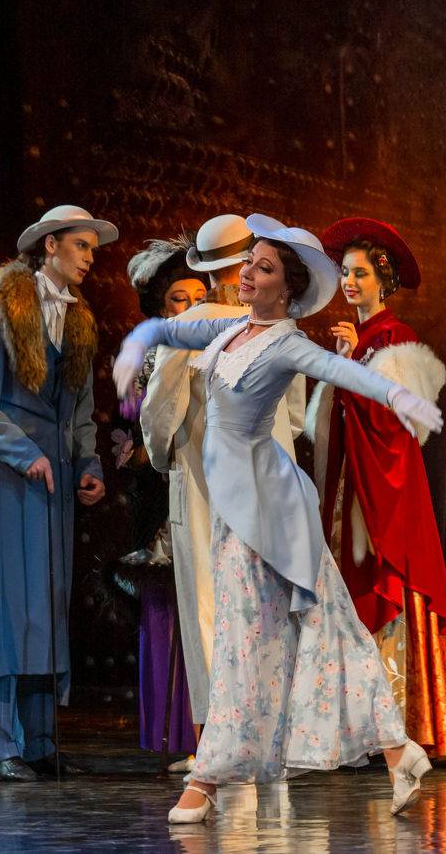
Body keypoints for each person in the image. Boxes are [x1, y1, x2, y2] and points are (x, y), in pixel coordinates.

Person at [113, 215, 444, 823]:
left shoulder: (287, 342)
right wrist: (142, 342)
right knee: (314, 628)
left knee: (250, 636)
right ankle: (400, 752)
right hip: (235, 503)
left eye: (262, 268)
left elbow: (345, 374)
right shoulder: (230, 329)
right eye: (248, 263)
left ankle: (208, 779)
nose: (247, 274)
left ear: (286, 288)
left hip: (266, 505)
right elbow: (174, 335)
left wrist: (404, 397)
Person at [0, 204, 117, 782]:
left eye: (92, 248)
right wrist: (26, 454)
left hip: (54, 485)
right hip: (7, 478)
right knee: (3, 606)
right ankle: (2, 747)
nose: (89, 258)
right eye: (81, 245)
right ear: (50, 245)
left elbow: (79, 412)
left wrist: (88, 464)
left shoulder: (79, 321)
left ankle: (42, 743)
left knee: (45, 605)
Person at [140, 213, 306, 769]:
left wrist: (165, 457)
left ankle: (220, 740)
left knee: (209, 601)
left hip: (206, 480)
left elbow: (160, 412)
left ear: (207, 272)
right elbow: (297, 415)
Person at [306, 216, 446, 760]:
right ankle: (356, 728)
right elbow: (326, 420)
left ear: (383, 281)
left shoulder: (394, 338)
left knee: (387, 582)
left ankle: (398, 724)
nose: (350, 282)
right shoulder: (357, 340)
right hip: (351, 491)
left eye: (360, 273)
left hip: (386, 495)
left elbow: (397, 425)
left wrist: (351, 365)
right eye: (345, 273)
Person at [121, 235, 208, 761]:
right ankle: (175, 736)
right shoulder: (147, 353)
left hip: (207, 490)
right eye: (180, 297)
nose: (192, 305)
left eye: (200, 295)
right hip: (161, 495)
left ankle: (212, 735)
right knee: (169, 614)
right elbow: (135, 430)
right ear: (162, 305)